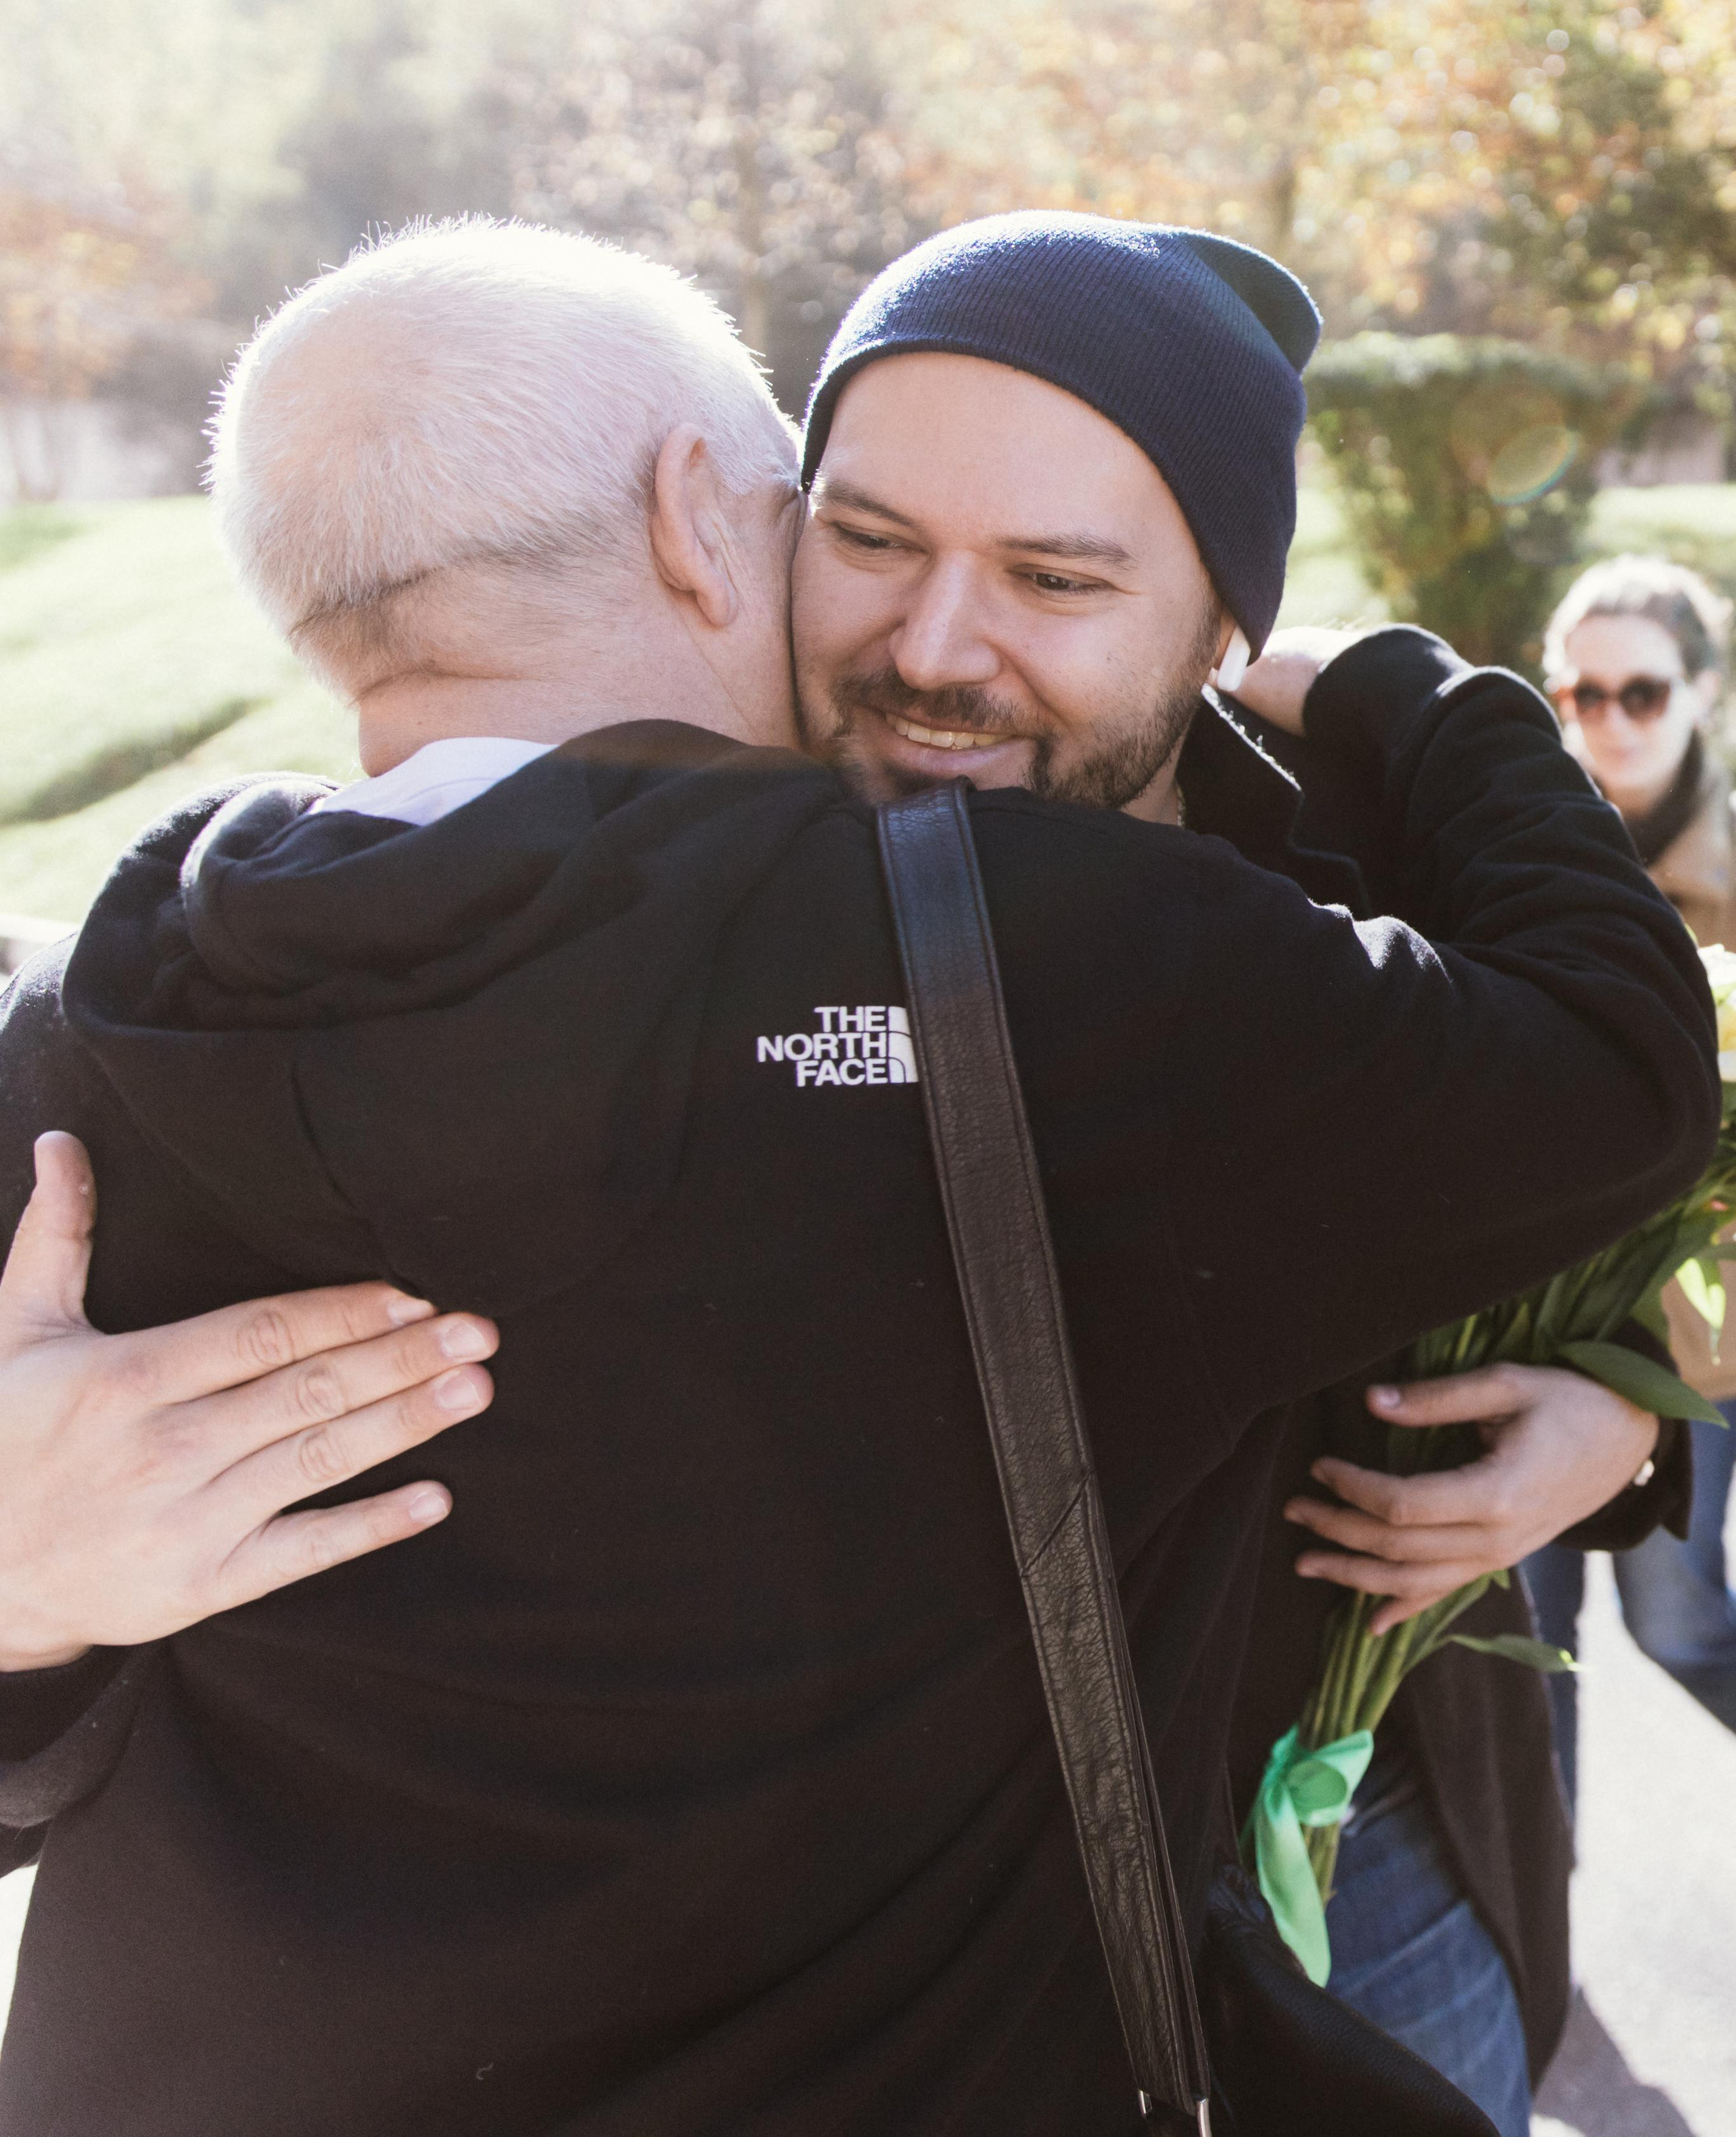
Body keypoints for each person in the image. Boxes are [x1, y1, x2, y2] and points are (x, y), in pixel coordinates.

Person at [0, 216, 1714, 2136]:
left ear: (1223, 621)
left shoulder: (99, 1023)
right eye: (861, 534)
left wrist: (1620, 1444)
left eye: (1054, 576)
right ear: (708, 520)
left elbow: (1588, 1208)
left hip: (1352, 1851)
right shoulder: (1045, 972)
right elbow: (1616, 1073)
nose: (929, 649)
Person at [1522, 555, 1736, 1782]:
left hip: (1689, 1342)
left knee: (1679, 1625)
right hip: (1524, 1319)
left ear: (1701, 692)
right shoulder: (1513, 853)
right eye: (1579, 693)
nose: (1608, 721)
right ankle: (1536, 1968)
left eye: (1641, 693)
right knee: (1523, 1652)